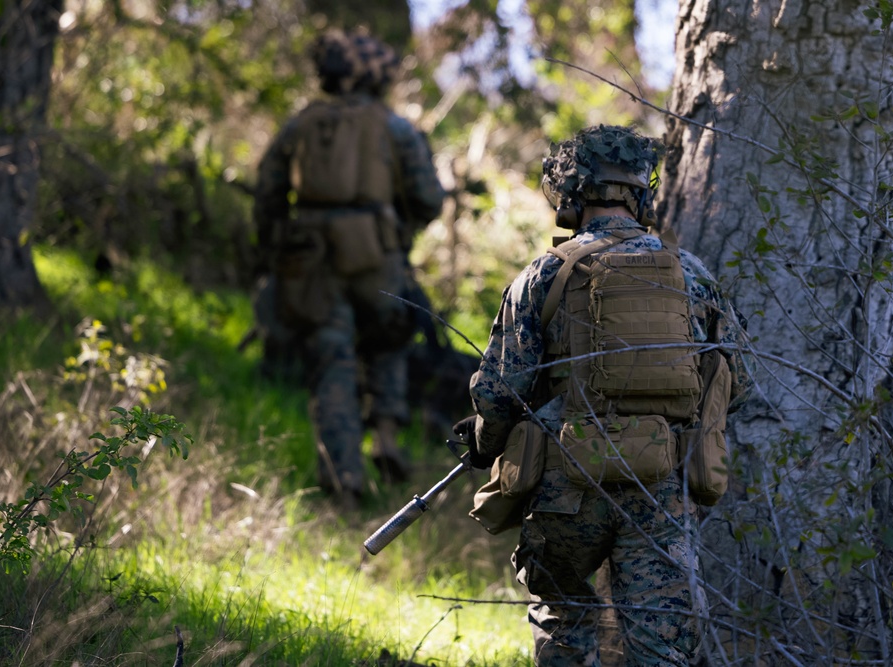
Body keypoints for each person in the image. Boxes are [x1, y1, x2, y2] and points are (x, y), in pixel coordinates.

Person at [454, 125, 753, 665]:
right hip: (660, 486)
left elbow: (501, 393)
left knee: (564, 619)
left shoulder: (544, 274)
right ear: (641, 192)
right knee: (661, 642)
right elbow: (737, 379)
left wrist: (483, 442)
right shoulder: (690, 273)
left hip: (567, 485)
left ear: (569, 194)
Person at [253, 28, 445, 509]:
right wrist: (398, 233)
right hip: (376, 254)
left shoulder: (301, 124)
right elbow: (428, 198)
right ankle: (385, 433)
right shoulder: (395, 127)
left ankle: (343, 480)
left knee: (330, 361)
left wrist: (278, 243)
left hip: (311, 256)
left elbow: (268, 190)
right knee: (389, 341)